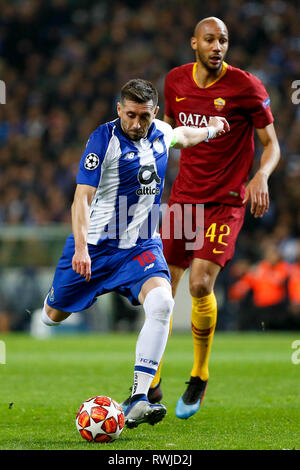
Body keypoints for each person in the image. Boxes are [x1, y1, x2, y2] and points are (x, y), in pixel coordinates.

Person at [41, 78, 229, 429]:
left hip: (141, 245)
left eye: (144, 116)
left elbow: (184, 136)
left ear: (154, 113)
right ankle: (63, 295)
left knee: (162, 304)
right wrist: (81, 248)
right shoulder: (103, 140)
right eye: (130, 115)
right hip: (96, 247)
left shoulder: (159, 132)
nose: (136, 124)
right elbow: (81, 197)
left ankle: (139, 396)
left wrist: (213, 128)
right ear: (119, 110)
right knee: (52, 316)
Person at [128, 17, 280, 420]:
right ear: (194, 42)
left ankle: (198, 374)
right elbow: (173, 134)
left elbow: (272, 145)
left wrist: (261, 175)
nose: (218, 46)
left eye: (224, 40)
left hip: (226, 202)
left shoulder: (247, 87)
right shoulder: (175, 82)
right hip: (183, 199)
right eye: (210, 39)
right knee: (162, 288)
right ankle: (150, 383)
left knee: (198, 285)